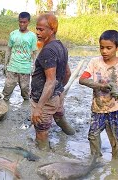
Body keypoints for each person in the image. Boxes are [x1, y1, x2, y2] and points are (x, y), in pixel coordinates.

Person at [79, 30, 118, 160]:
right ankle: (96, 160)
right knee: (93, 134)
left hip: (116, 108)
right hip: (98, 107)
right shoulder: (95, 62)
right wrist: (99, 86)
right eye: (102, 47)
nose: (104, 51)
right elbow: (82, 79)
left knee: (117, 137)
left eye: (109, 48)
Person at [30, 13, 75, 150]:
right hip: (57, 95)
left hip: (44, 99)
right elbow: (67, 73)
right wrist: (59, 89)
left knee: (41, 131)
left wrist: (38, 108)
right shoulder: (61, 46)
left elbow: (50, 81)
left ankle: (43, 158)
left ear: (52, 30)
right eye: (37, 29)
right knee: (59, 116)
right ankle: (71, 133)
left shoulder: (47, 51)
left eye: (41, 30)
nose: (37, 33)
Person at [2, 12, 38, 101]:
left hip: (25, 68)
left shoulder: (32, 36)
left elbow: (34, 52)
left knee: (25, 91)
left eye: (24, 22)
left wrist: (35, 67)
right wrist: (5, 64)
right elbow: (8, 50)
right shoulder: (13, 34)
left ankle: (26, 109)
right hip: (12, 67)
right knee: (6, 91)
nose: (22, 24)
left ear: (28, 22)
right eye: (20, 22)